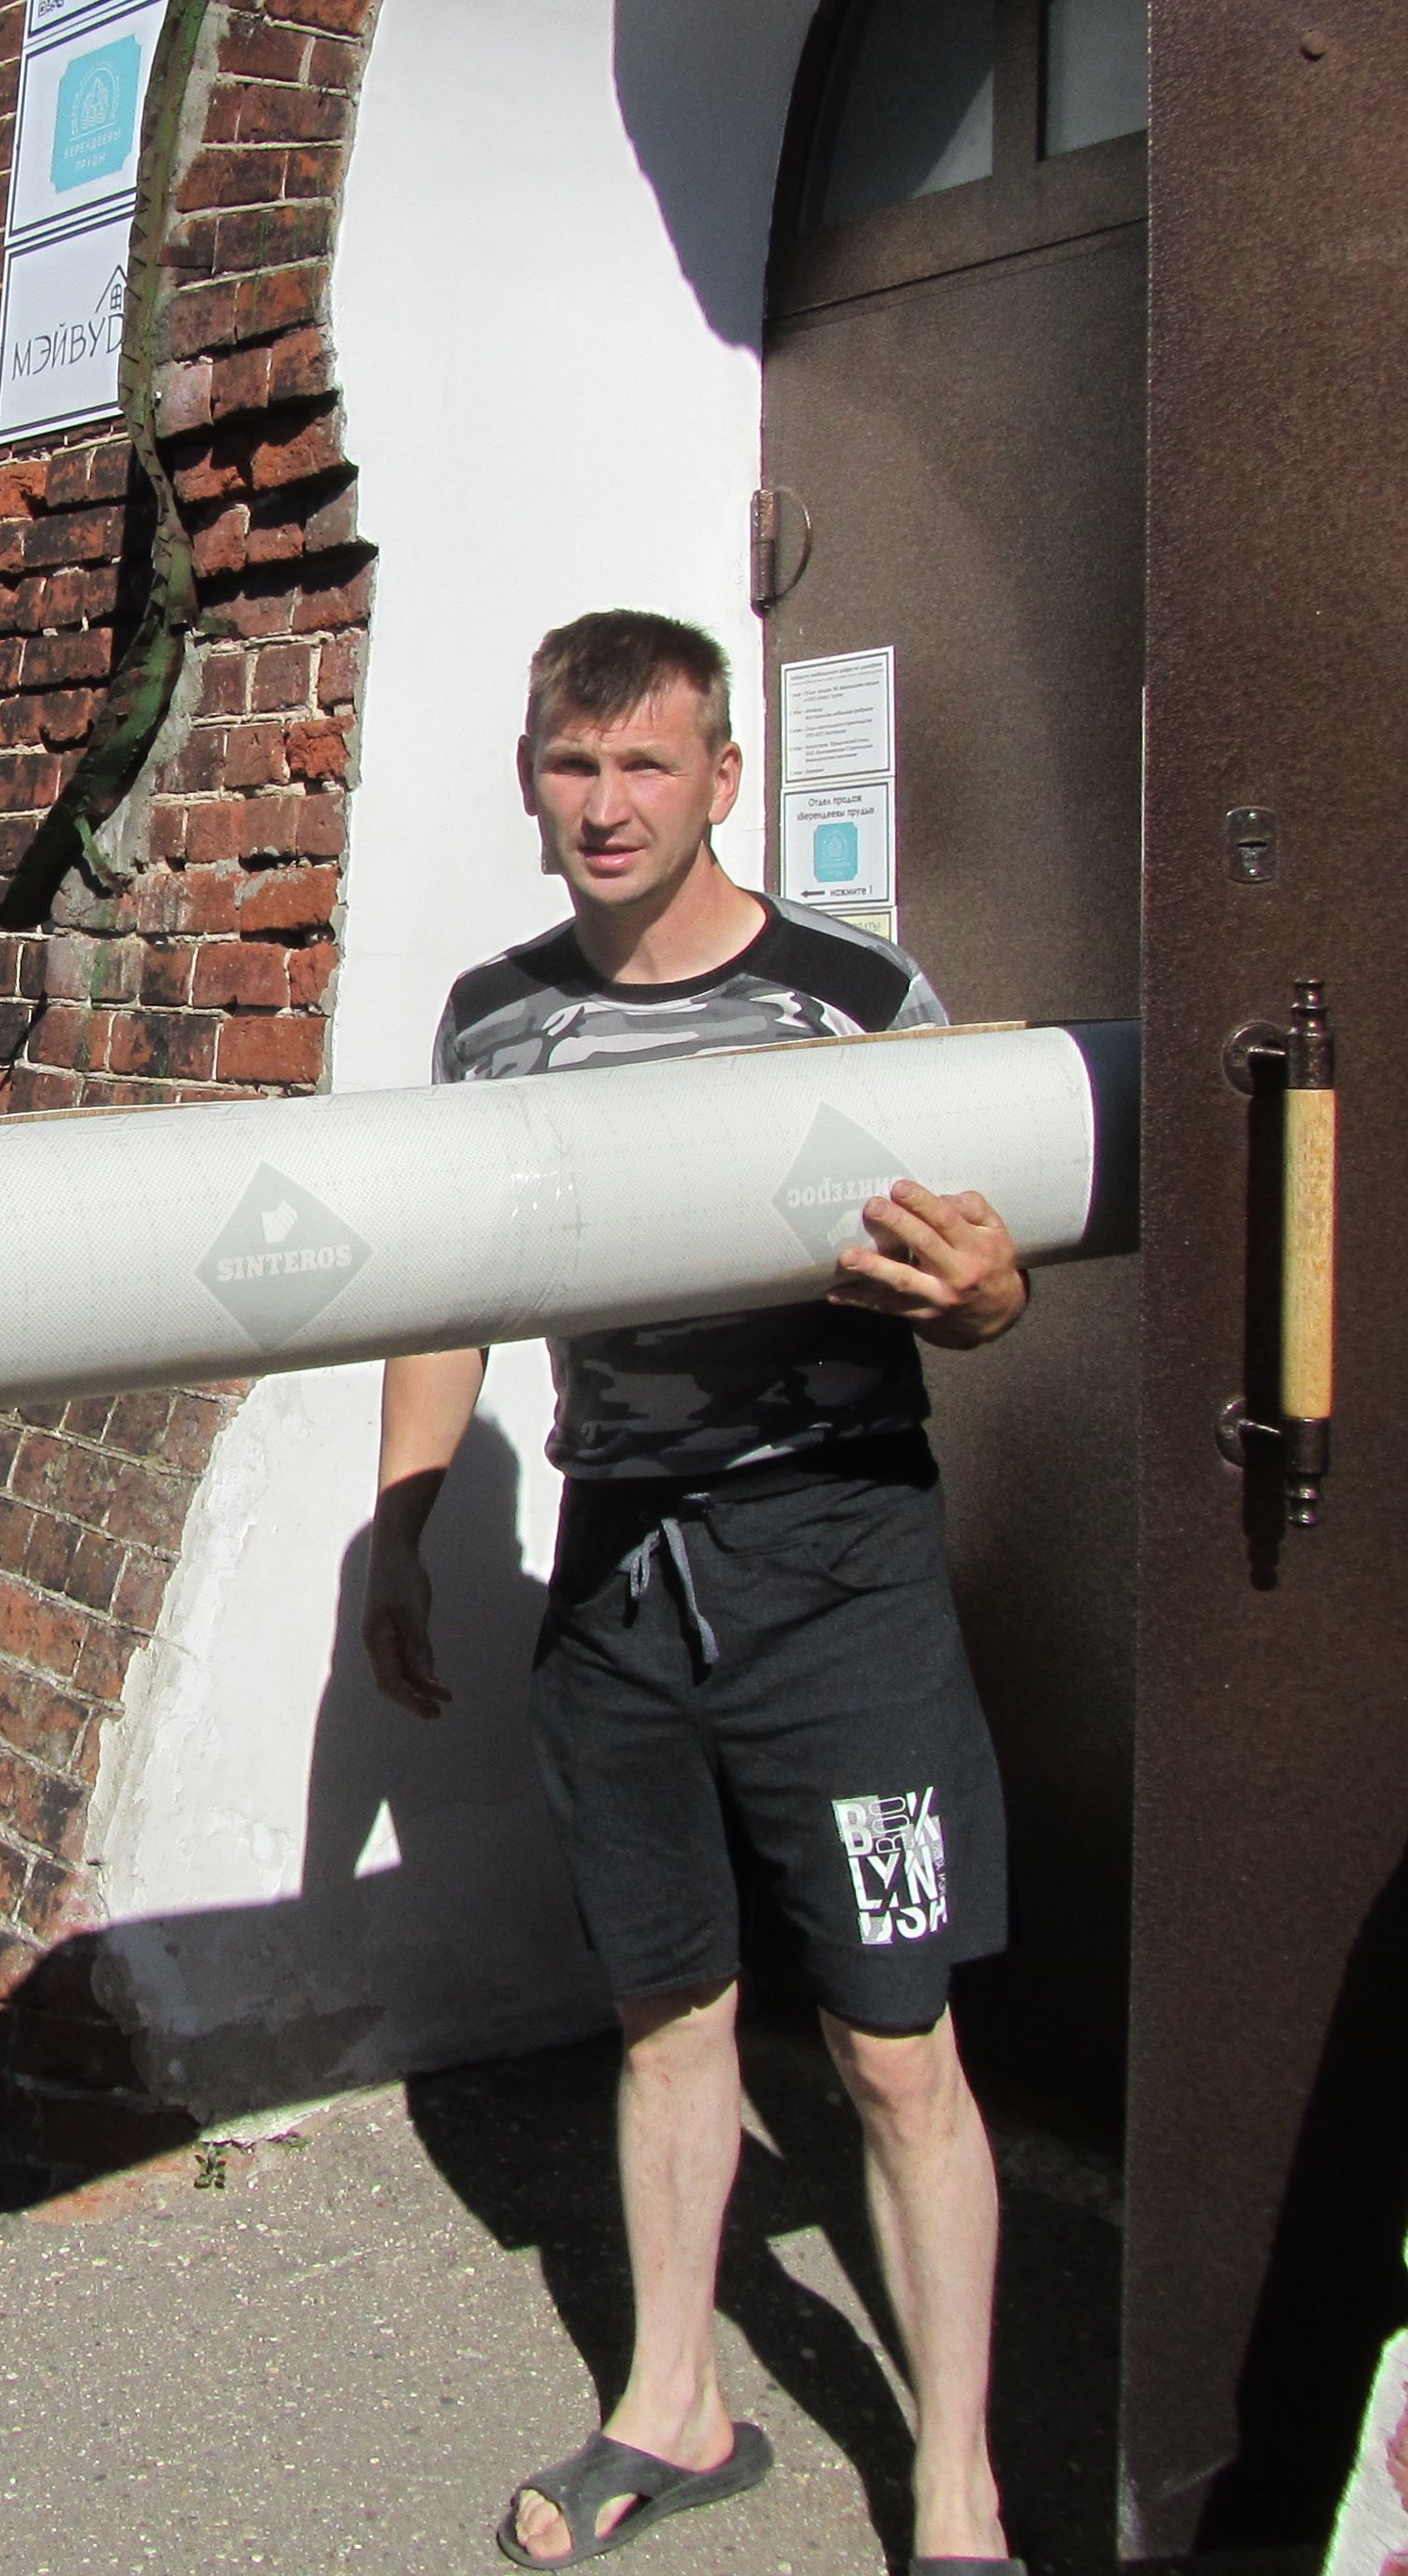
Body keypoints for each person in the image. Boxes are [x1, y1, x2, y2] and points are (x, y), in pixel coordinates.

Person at [366, 610, 1029, 2576]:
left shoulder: (859, 997)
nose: (609, 803)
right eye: (575, 765)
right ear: (530, 779)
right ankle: (678, 2406)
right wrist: (405, 1523)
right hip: (623, 1575)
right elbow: (454, 1284)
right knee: (668, 2015)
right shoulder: (494, 1018)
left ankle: (960, 2491)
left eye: (647, 762)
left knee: (895, 2046)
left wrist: (990, 1296)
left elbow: (983, 1270)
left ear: (723, 779)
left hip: (839, 1561)